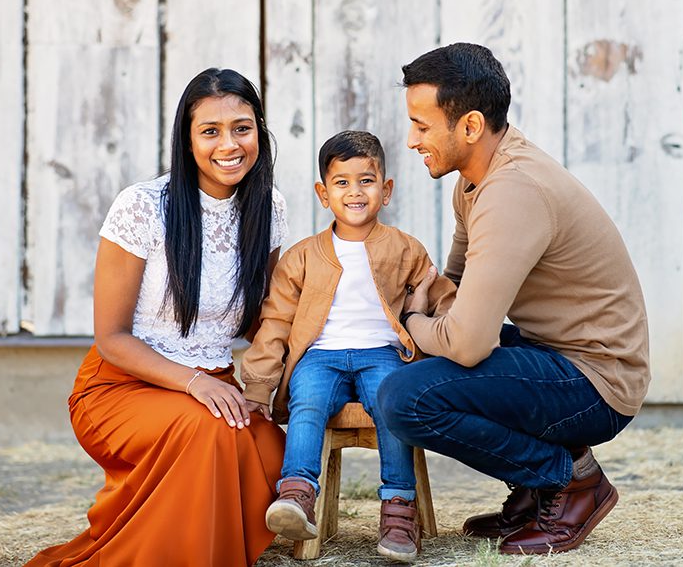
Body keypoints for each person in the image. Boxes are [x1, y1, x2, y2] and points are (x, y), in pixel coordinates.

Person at [376, 43, 650, 555]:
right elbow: (454, 287)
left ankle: (570, 481)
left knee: (404, 398)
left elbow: (467, 343)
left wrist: (411, 321)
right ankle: (533, 489)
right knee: (411, 368)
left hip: (596, 378)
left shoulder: (512, 191)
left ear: (471, 126)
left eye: (422, 124)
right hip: (550, 351)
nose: (411, 140)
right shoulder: (477, 180)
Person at [24, 68, 288, 567]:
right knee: (209, 433)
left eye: (242, 127)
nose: (229, 144)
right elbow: (111, 338)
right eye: (210, 131)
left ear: (259, 131)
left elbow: (263, 321)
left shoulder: (268, 207)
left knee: (273, 450)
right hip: (122, 385)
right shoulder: (143, 207)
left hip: (215, 385)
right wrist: (195, 383)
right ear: (187, 141)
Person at [240, 130, 456, 562]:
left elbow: (438, 296)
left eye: (366, 180)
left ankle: (398, 509)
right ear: (324, 193)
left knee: (391, 402)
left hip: (382, 354)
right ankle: (297, 494)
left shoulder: (405, 249)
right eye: (341, 182)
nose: (354, 192)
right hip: (320, 357)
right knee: (309, 400)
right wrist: (258, 387)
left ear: (386, 189)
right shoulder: (302, 256)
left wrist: (454, 330)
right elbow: (276, 321)